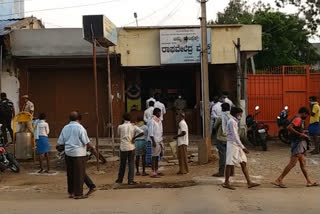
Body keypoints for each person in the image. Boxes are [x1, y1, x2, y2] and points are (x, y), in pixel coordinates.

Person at [272, 107, 318, 188]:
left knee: (302, 163)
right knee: (292, 163)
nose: (306, 116)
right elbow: (289, 127)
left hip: (299, 143)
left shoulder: (297, 118)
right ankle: (279, 180)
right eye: (306, 115)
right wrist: (300, 134)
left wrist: (303, 133)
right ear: (303, 113)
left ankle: (309, 181)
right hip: (298, 143)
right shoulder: (298, 119)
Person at [57, 111, 96, 199]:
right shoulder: (80, 128)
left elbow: (60, 142)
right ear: (79, 119)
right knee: (79, 173)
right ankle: (78, 194)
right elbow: (86, 141)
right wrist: (93, 149)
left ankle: (72, 192)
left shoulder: (65, 128)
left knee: (71, 173)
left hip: (68, 153)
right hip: (79, 153)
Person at [223, 107, 260, 190]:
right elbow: (235, 136)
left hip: (236, 144)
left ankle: (249, 182)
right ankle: (226, 182)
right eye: (240, 114)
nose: (241, 115)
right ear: (236, 114)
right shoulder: (232, 122)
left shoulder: (234, 121)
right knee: (229, 163)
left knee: (243, 162)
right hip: (232, 144)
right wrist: (243, 147)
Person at [116, 113, 144, 185]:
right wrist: (134, 138)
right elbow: (142, 132)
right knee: (131, 164)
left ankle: (120, 179)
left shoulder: (120, 126)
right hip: (131, 146)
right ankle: (130, 180)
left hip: (123, 147)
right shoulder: (133, 126)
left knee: (122, 164)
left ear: (123, 118)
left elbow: (118, 134)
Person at [212, 103, 233, 177]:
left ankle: (221, 172)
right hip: (230, 139)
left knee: (222, 156)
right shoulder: (231, 117)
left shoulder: (220, 117)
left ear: (222, 109)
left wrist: (212, 136)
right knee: (230, 156)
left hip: (221, 139)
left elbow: (215, 127)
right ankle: (231, 172)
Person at [149, 108, 165, 178]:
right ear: (156, 113)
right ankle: (153, 172)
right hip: (155, 140)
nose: (160, 114)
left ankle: (156, 170)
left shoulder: (159, 121)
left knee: (157, 156)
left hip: (159, 140)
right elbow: (151, 132)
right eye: (159, 112)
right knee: (154, 156)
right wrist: (153, 141)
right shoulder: (152, 121)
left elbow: (161, 131)